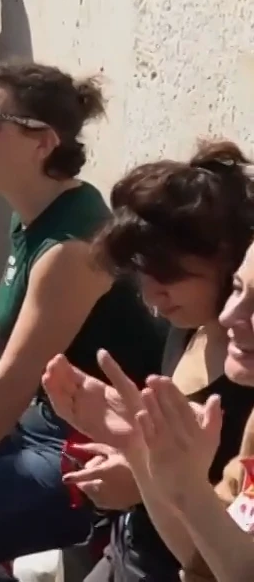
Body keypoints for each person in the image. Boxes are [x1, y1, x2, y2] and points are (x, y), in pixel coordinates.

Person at [0, 62, 164, 577]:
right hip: (35, 425)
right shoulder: (37, 219)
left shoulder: (70, 247)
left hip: (80, 452)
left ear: (42, 143)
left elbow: (14, 378)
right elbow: (4, 333)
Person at [63, 143, 254, 581]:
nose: (151, 297)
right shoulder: (189, 326)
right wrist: (127, 445)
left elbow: (222, 549)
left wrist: (139, 481)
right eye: (142, 274)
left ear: (227, 258)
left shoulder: (246, 374)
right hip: (125, 549)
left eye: (169, 278)